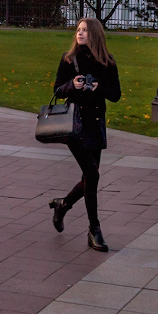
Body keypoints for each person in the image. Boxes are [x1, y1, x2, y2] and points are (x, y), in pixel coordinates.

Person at [48, 17, 121, 252]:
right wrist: (73, 86)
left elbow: (116, 94)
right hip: (74, 125)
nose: (80, 34)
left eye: (85, 31)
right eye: (78, 30)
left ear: (95, 34)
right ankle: (94, 229)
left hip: (96, 122)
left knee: (91, 177)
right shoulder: (69, 59)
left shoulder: (108, 63)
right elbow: (58, 90)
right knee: (92, 173)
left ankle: (63, 204)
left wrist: (100, 87)